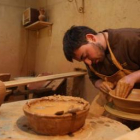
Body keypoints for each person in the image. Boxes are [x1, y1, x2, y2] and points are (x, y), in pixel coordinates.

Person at [63, 26, 140, 99]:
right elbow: (93, 78)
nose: (88, 63)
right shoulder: (90, 60)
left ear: (91, 38)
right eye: (82, 60)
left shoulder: (131, 39)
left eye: (85, 55)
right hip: (116, 98)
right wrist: (100, 84)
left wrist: (133, 77)